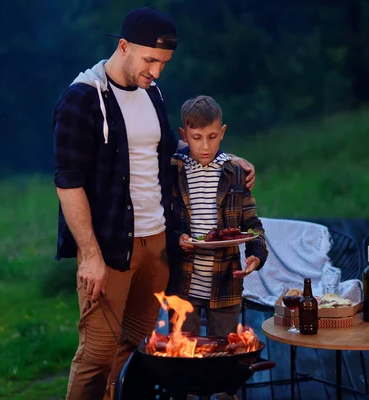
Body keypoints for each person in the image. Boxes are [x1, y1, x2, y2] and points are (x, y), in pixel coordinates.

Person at [53, 8, 255, 400]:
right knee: (97, 353)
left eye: (163, 64)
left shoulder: (151, 92)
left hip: (158, 242)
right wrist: (90, 255)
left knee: (138, 345)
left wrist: (226, 158)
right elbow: (67, 182)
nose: (157, 72)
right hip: (111, 247)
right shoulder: (82, 99)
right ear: (124, 46)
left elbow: (169, 148)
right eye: (150, 61)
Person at [167, 95, 268, 336]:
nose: (205, 146)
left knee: (223, 354)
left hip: (225, 284)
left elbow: (252, 224)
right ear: (184, 135)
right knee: (183, 355)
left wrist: (256, 254)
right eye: (196, 138)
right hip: (183, 283)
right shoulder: (173, 172)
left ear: (222, 132)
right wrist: (176, 239)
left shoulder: (235, 173)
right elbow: (163, 222)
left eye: (212, 137)